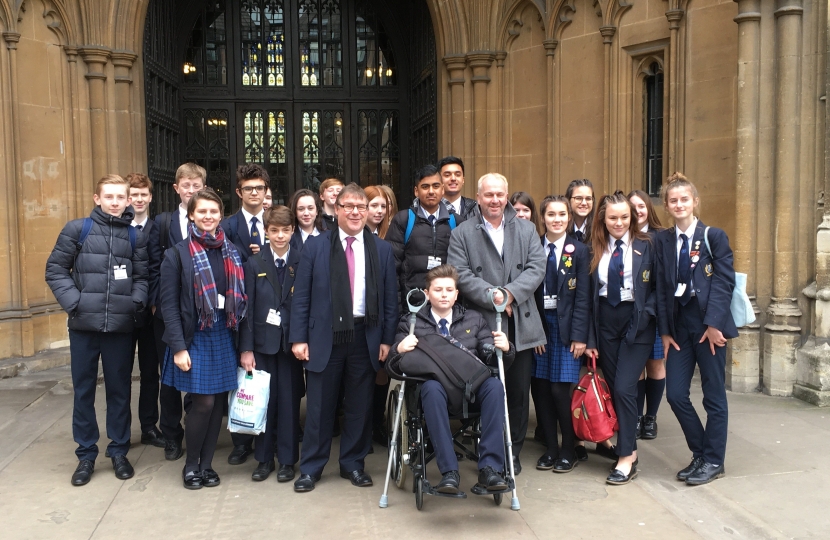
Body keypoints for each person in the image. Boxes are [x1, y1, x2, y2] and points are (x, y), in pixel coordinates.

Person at [289, 183, 398, 493]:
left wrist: (387, 340)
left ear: (368, 212)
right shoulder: (315, 246)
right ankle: (311, 467)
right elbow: (302, 298)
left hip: (366, 335)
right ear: (335, 210)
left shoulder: (382, 250)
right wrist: (299, 338)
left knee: (359, 405)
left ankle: (353, 463)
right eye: (348, 206)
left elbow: (391, 299)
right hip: (325, 337)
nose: (354, 212)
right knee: (320, 407)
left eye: (360, 207)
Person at [45, 174, 149, 486]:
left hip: (119, 326)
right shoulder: (78, 229)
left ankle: (118, 450)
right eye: (109, 197)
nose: (115, 202)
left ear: (128, 200)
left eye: (121, 197)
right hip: (83, 326)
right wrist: (75, 303)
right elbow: (56, 269)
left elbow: (143, 277)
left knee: (119, 390)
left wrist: (134, 303)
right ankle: (86, 454)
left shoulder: (134, 237)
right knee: (84, 391)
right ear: (97, 198)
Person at [447, 173, 546, 474]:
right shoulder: (462, 233)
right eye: (488, 195)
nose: (494, 200)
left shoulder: (527, 229)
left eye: (499, 194)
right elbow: (460, 274)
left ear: (506, 196)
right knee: (486, 390)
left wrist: (510, 294)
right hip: (481, 323)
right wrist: (495, 297)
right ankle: (487, 449)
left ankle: (511, 452)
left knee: (517, 392)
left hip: (519, 321)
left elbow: (536, 266)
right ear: (478, 197)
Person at [391, 264, 514, 493]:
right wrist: (399, 348)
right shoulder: (412, 323)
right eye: (438, 290)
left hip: (471, 391)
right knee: (431, 388)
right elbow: (394, 366)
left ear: (457, 294)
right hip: (435, 396)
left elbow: (492, 360)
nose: (444, 294)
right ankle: (449, 472)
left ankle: (490, 469)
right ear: (427, 294)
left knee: (495, 386)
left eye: (449, 289)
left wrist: (504, 349)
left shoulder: (474, 319)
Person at [159, 188, 247, 490]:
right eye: (202, 212)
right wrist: (178, 348)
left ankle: (207, 465)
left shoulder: (232, 251)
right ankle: (191, 464)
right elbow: (168, 305)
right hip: (194, 336)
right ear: (192, 215)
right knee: (203, 404)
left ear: (220, 215)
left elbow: (242, 299)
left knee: (218, 402)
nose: (208, 217)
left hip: (224, 332)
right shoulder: (177, 254)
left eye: (213, 211)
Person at [655, 173, 737, 486]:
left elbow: (723, 281)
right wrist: (664, 332)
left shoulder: (713, 236)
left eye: (684, 199)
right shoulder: (663, 241)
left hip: (708, 329)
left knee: (714, 397)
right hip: (679, 331)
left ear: (695, 202)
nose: (679, 205)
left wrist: (715, 324)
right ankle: (701, 452)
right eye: (673, 200)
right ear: (666, 205)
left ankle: (714, 460)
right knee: (675, 394)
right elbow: (662, 290)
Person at [588, 191, 656, 486]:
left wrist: (645, 318)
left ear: (633, 217)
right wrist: (589, 336)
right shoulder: (592, 247)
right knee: (618, 389)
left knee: (626, 387)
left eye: (624, 217)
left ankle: (626, 456)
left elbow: (658, 289)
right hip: (605, 321)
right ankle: (630, 448)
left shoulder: (648, 245)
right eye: (613, 217)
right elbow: (585, 296)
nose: (619, 223)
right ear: (603, 218)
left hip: (637, 322)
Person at [239, 206, 304, 483]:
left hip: (290, 346)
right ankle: (264, 458)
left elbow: (305, 306)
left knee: (289, 403)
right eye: (274, 230)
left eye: (285, 230)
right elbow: (247, 309)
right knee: (263, 402)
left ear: (292, 231)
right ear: (266, 231)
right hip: (262, 345)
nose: (280, 236)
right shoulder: (254, 264)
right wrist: (246, 348)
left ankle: (288, 460)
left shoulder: (301, 261)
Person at [531, 196, 591, 473]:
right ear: (542, 218)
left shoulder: (579, 251)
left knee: (560, 390)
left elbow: (583, 298)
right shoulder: (533, 248)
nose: (557, 219)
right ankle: (551, 449)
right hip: (540, 328)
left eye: (562, 214)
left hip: (567, 330)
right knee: (541, 388)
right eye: (551, 214)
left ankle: (569, 448)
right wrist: (534, 333)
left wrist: (581, 336)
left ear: (569, 217)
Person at [152, 162, 207, 461]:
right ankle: (172, 434)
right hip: (169, 316)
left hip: (201, 317)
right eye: (186, 185)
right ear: (176, 188)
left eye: (197, 185)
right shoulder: (162, 224)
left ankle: (195, 427)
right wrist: (154, 303)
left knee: (197, 378)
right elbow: (149, 266)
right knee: (170, 378)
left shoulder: (213, 224)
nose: (191, 190)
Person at [220, 164, 269, 464]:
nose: (254, 193)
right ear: (239, 192)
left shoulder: (276, 221)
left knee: (267, 376)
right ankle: (241, 440)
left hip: (270, 311)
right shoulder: (226, 226)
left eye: (259, 188)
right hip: (236, 311)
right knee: (241, 377)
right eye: (249, 188)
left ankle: (268, 434)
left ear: (266, 191)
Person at [126, 173, 165, 448]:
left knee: (151, 372)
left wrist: (153, 303)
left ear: (150, 197)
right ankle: (121, 431)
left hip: (150, 313)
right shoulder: (116, 228)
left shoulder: (158, 228)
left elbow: (159, 270)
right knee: (121, 375)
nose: (139, 199)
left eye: (143, 194)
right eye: (134, 195)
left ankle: (149, 426)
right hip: (122, 313)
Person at [386, 164, 462, 304]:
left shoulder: (456, 221)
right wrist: (398, 306)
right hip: (412, 303)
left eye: (436, 186)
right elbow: (391, 267)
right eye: (425, 186)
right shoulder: (404, 220)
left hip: (448, 304)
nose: (431, 191)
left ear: (443, 189)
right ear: (416, 191)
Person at [628, 189, 666, 439]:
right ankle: (637, 416)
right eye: (632, 207)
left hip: (653, 314)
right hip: (629, 314)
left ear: (649, 209)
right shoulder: (624, 234)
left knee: (655, 364)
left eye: (641, 206)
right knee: (636, 367)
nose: (637, 211)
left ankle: (650, 417)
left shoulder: (660, 238)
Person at [566, 179, 595, 243]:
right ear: (568, 200)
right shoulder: (561, 228)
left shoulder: (599, 229)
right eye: (578, 198)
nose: (584, 203)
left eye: (588, 198)